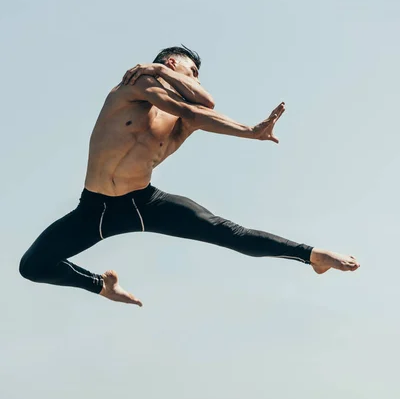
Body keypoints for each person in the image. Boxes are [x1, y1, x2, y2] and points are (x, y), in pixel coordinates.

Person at [19, 45, 359, 306]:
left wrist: (253, 131)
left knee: (228, 233)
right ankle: (101, 287)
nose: (195, 79)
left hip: (144, 202)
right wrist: (155, 69)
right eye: (191, 71)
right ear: (170, 64)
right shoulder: (137, 85)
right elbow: (190, 105)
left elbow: (203, 107)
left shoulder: (183, 118)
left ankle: (313, 256)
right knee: (33, 266)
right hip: (95, 210)